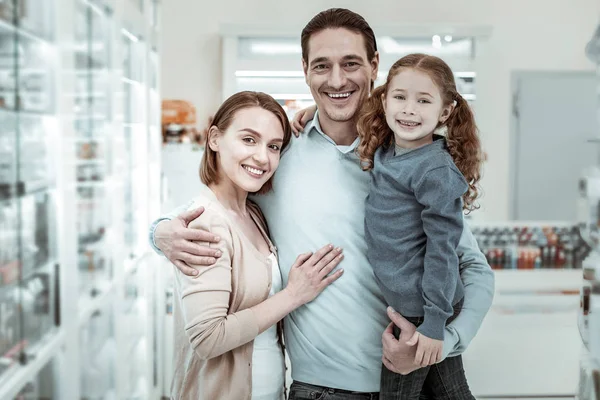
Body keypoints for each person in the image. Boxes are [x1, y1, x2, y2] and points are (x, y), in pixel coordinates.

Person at [151, 9, 495, 400]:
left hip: (416, 383)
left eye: (350, 64)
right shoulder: (279, 157)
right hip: (320, 390)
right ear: (305, 70)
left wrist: (443, 342)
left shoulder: (407, 163)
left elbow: (473, 269)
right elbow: (221, 205)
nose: (336, 80)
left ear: (374, 65)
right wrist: (160, 231)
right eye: (321, 65)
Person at [169, 90, 344, 400]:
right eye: (249, 140)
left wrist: (314, 110)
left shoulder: (253, 214)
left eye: (273, 146)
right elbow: (208, 337)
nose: (263, 157)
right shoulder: (206, 221)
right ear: (214, 139)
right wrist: (294, 295)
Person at [354, 53, 481, 399]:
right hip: (418, 303)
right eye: (400, 97)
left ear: (444, 112)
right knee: (451, 392)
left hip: (425, 308)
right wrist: (305, 115)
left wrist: (434, 323)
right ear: (383, 100)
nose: (409, 110)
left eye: (423, 101)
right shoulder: (385, 150)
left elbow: (442, 250)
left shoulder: (435, 170)